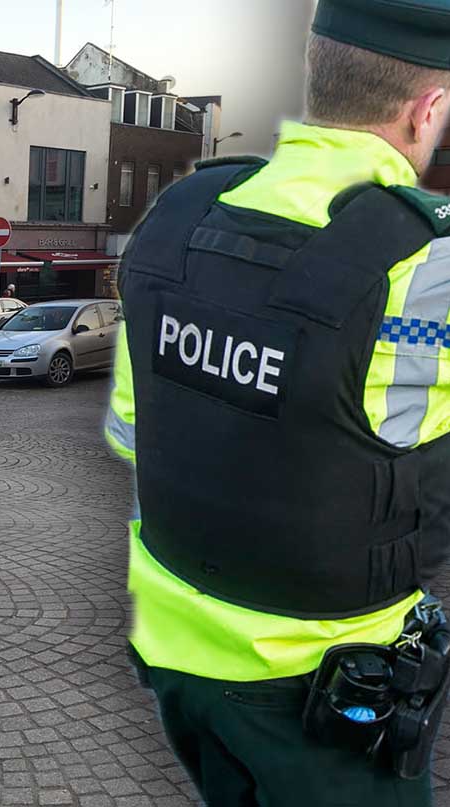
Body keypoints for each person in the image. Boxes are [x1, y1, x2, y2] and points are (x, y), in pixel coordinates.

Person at [106, 3, 450, 804]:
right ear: (427, 108)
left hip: (176, 655)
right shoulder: (426, 265)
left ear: (316, 68)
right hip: (320, 694)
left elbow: (133, 428)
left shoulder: (180, 217)